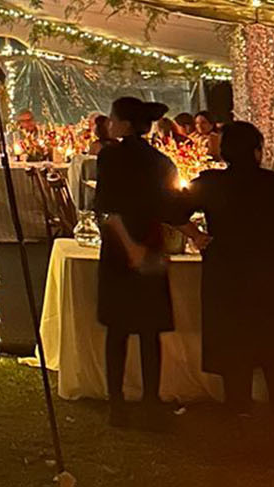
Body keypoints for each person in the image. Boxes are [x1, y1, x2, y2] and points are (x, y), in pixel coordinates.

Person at [177, 121, 274, 417]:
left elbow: (170, 207)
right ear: (257, 151)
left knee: (234, 348)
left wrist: (196, 235)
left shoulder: (210, 184)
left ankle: (238, 409)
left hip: (228, 275)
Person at [95, 96, 180, 428]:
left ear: (125, 124)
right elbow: (168, 207)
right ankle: (151, 401)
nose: (110, 123)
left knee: (117, 330)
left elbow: (106, 207)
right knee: (149, 331)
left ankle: (117, 403)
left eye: (113, 118)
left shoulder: (110, 158)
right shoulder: (160, 161)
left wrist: (129, 246)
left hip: (119, 249)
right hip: (152, 245)